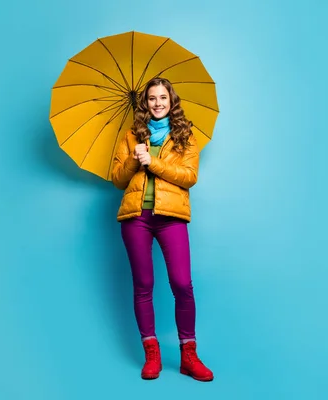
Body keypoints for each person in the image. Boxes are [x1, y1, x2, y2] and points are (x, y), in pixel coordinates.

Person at [111, 77, 214, 382]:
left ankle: (188, 355)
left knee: (182, 284)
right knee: (143, 285)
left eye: (163, 98)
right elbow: (117, 179)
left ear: (172, 102)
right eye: (152, 99)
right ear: (146, 103)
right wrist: (134, 160)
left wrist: (152, 163)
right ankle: (151, 354)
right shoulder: (132, 137)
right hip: (136, 217)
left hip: (171, 216)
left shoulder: (186, 136)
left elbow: (189, 176)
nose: (157, 103)